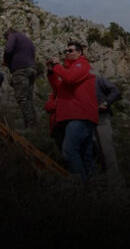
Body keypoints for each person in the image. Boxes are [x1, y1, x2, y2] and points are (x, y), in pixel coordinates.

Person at [44, 41, 98, 181]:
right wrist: (51, 72)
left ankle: (82, 185)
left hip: (80, 116)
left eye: (71, 50)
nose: (67, 53)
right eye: (66, 51)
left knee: (69, 150)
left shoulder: (82, 65)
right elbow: (59, 88)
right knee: (85, 155)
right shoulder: (70, 69)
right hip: (78, 117)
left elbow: (70, 78)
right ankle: (95, 188)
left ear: (79, 53)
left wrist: (57, 66)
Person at [3, 28, 37, 128]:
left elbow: (8, 50)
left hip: (21, 70)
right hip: (32, 69)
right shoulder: (27, 40)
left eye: (6, 39)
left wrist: (6, 62)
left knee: (22, 98)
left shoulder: (13, 36)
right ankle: (33, 126)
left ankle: (30, 125)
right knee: (29, 99)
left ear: (8, 34)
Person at [94, 75, 122, 178]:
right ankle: (105, 178)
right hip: (90, 120)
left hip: (102, 117)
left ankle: (114, 180)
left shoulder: (98, 79)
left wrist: (105, 103)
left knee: (106, 149)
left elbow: (116, 91)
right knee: (97, 151)